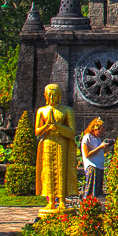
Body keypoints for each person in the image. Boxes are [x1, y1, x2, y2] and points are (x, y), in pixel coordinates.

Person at [34, 84, 79, 213]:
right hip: (48, 142)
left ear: (60, 96)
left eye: (54, 95)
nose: (52, 97)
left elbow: (71, 131)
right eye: (49, 95)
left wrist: (58, 126)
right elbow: (37, 131)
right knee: (48, 171)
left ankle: (62, 200)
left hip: (62, 141)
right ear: (45, 96)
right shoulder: (42, 111)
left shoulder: (66, 110)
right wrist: (47, 125)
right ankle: (50, 201)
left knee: (61, 170)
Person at [80, 118, 113, 199]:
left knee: (98, 192)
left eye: (102, 132)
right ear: (94, 128)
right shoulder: (87, 137)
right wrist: (100, 147)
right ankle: (87, 204)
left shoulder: (98, 139)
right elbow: (87, 154)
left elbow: (101, 152)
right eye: (100, 131)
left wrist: (107, 147)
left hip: (99, 166)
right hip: (92, 165)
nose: (101, 134)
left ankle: (95, 205)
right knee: (91, 191)